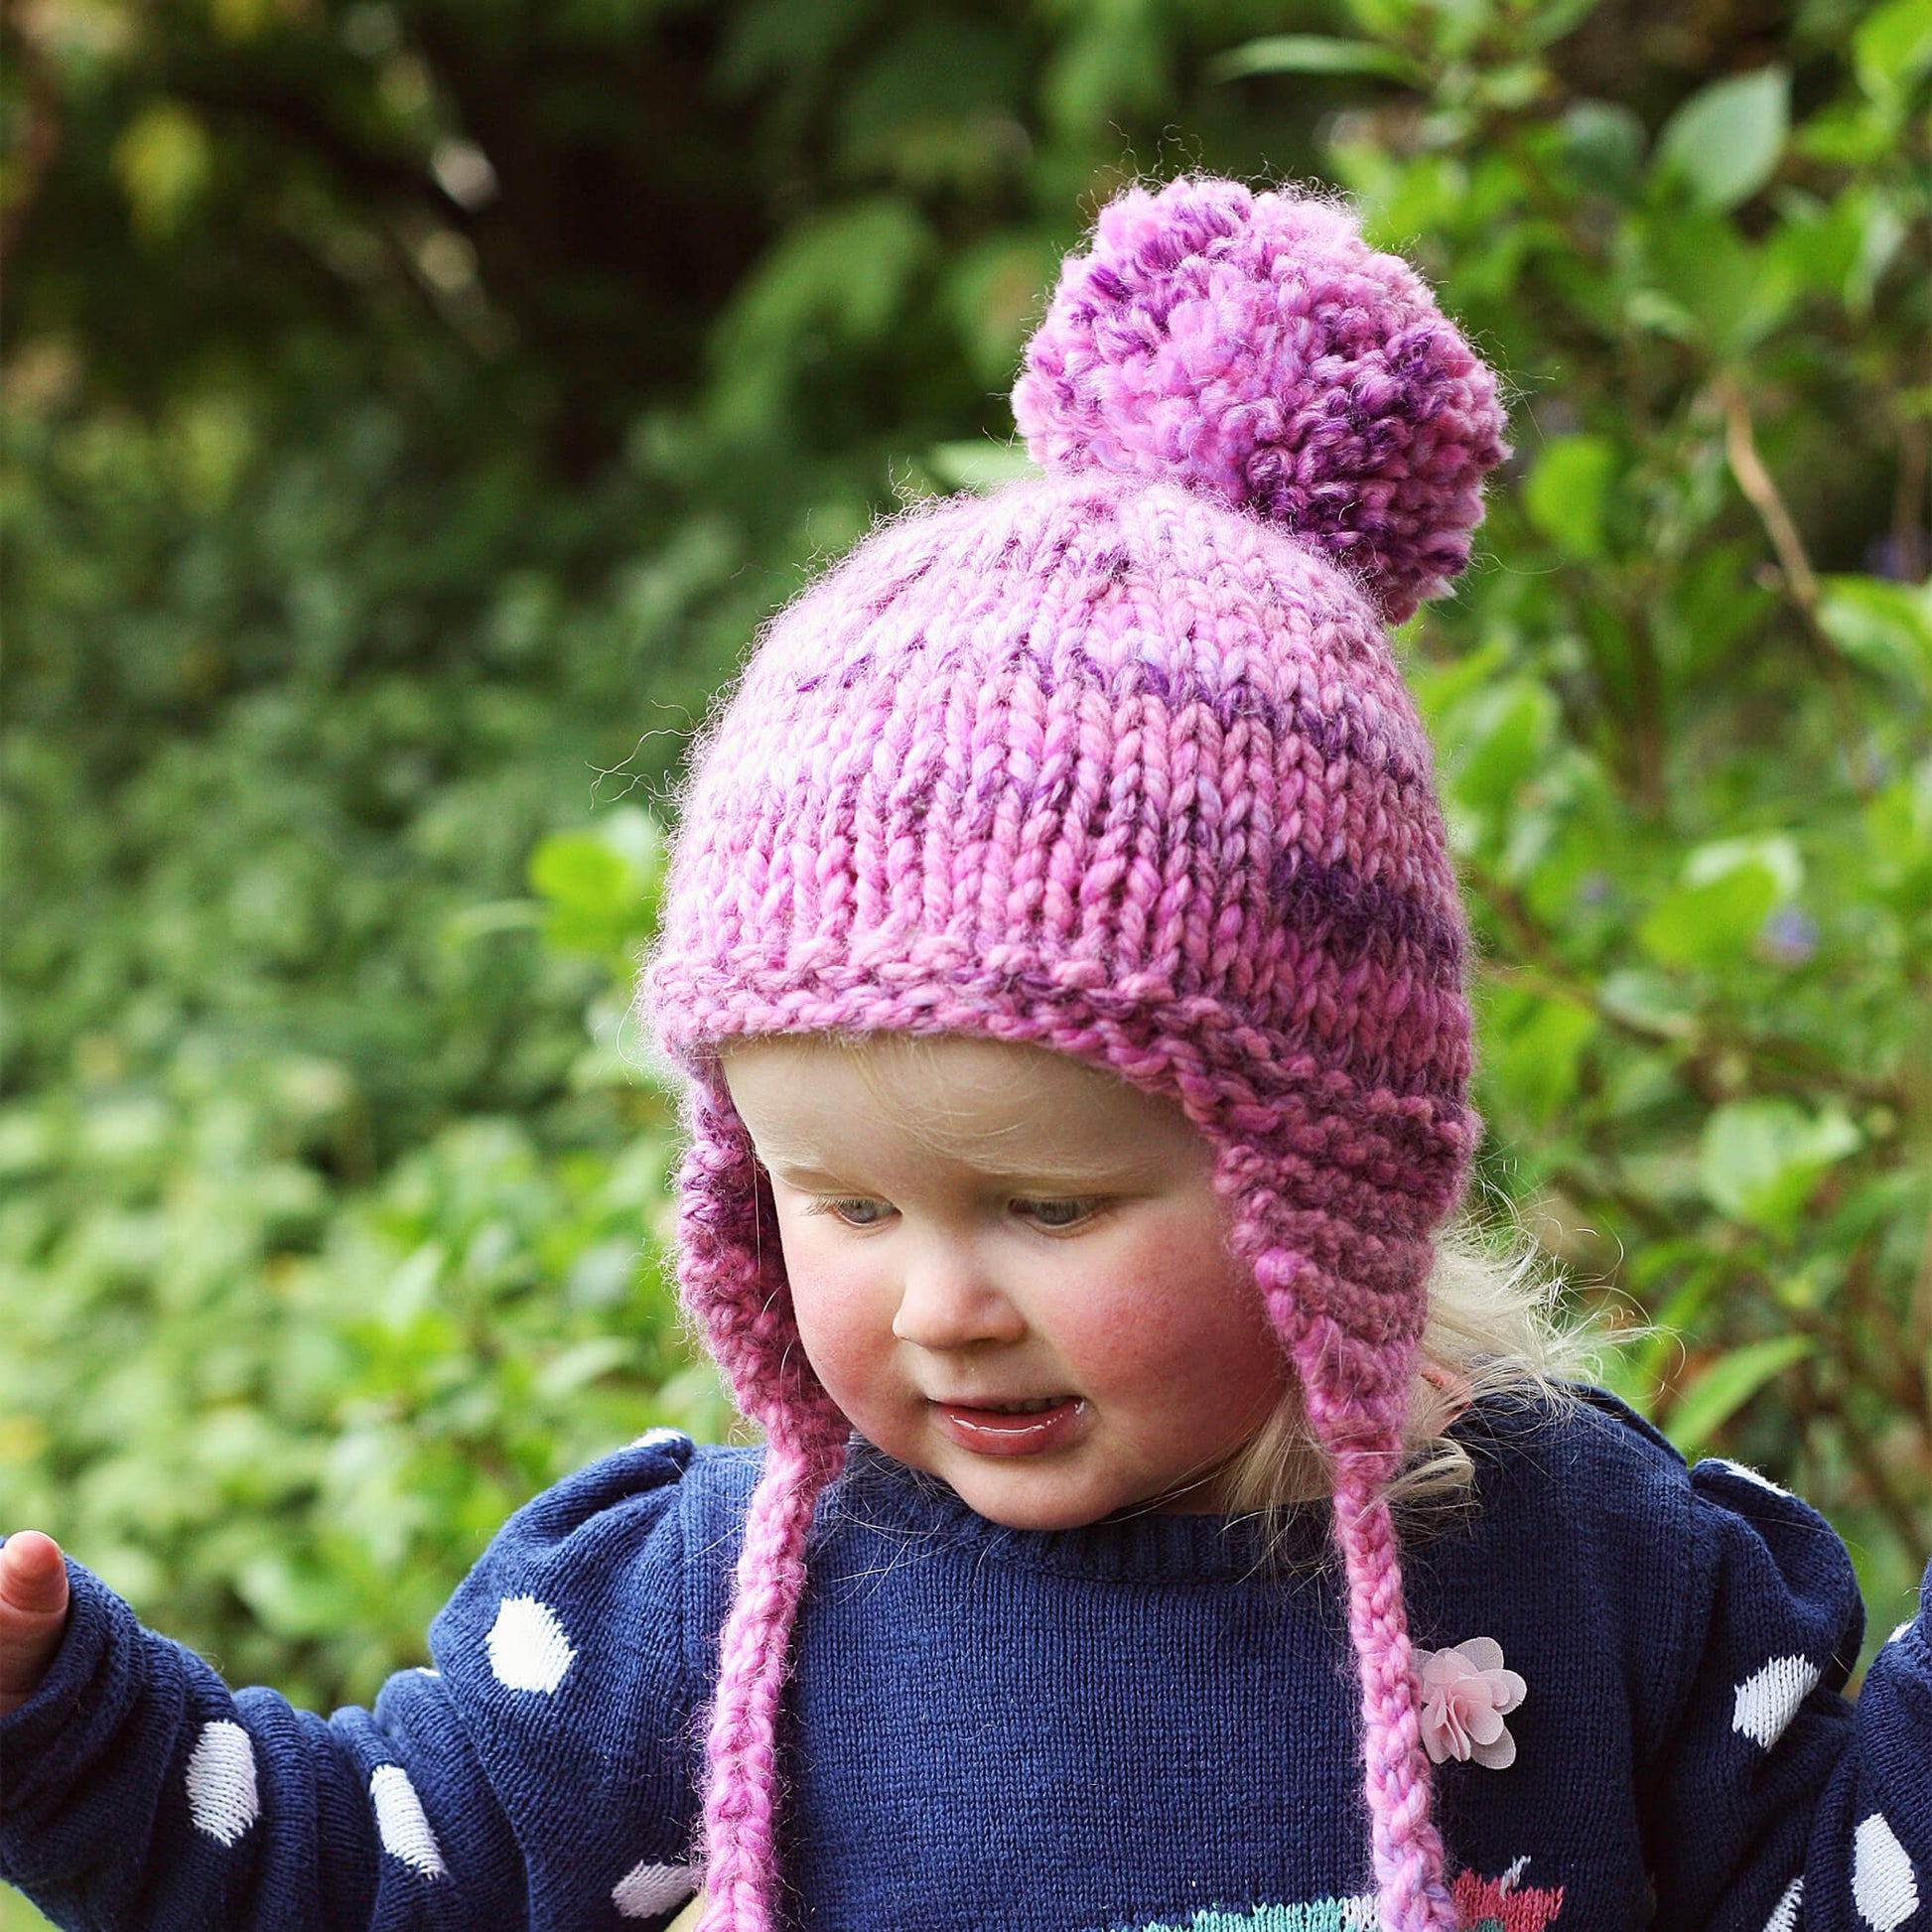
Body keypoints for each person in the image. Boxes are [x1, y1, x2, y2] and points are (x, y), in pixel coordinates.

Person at [2, 173, 1927, 1932]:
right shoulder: (711, 1607)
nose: (940, 1303)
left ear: (1327, 1170)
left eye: (1043, 1201)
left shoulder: (1581, 1571)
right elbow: (355, 1875)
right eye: (836, 1198)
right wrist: (58, 1716)